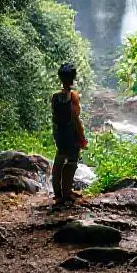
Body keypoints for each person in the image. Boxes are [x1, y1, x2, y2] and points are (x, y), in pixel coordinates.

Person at [50, 63, 87, 205]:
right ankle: (67, 192)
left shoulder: (55, 96)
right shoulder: (73, 96)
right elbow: (76, 118)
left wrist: (56, 134)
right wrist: (82, 136)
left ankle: (57, 192)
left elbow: (54, 117)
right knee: (72, 161)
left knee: (60, 157)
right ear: (72, 78)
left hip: (59, 131)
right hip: (71, 131)